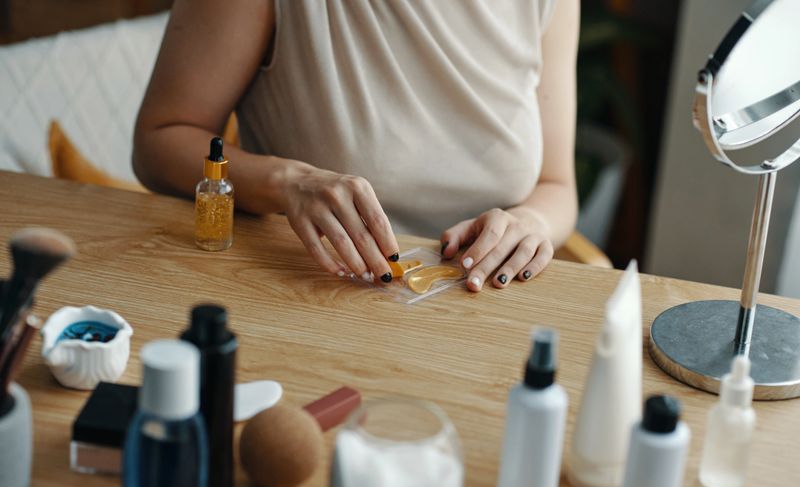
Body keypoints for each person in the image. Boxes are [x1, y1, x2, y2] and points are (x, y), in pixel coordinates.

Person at [133, 0, 579, 292]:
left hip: (489, 311)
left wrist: (529, 222)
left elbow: (556, 185)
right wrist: (289, 182)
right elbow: (159, 141)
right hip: (315, 298)